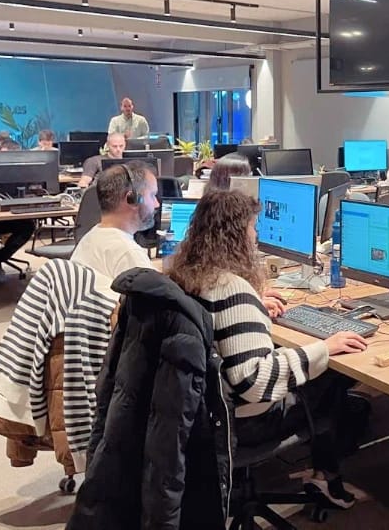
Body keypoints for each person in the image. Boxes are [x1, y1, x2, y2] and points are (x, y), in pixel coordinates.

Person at [168, 190, 367, 509]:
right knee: (334, 379)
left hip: (203, 414)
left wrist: (253, 306)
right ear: (235, 236)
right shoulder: (232, 289)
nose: (257, 235)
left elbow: (217, 322)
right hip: (245, 425)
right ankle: (325, 476)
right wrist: (323, 348)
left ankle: (322, 472)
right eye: (253, 227)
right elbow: (254, 383)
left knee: (323, 370)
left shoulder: (191, 276)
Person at [70, 162, 158, 295]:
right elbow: (158, 306)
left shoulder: (91, 238)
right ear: (131, 199)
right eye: (152, 195)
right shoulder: (128, 253)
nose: (156, 204)